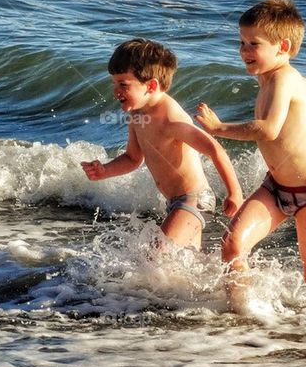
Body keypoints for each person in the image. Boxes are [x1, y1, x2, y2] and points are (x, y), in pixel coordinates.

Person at [195, 0, 306, 310]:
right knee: (233, 245)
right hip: (275, 187)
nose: (244, 51)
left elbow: (268, 130)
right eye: (242, 42)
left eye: (254, 44)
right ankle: (245, 313)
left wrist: (219, 128)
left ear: (283, 48)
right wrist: (301, 111)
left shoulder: (283, 78)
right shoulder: (274, 79)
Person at [82, 38, 244, 249]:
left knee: (156, 252)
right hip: (174, 203)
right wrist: (105, 170)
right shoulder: (138, 115)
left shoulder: (170, 118)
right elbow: (133, 158)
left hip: (195, 200)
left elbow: (215, 149)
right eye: (114, 83)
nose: (116, 90)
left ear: (151, 85)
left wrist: (235, 193)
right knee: (183, 265)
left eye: (123, 84)